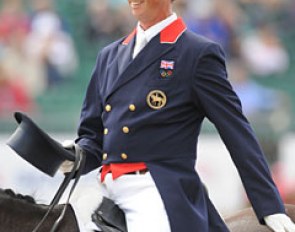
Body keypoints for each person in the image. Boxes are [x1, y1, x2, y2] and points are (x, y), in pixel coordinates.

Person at [61, 0, 295, 231]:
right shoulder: (109, 55)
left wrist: (268, 205)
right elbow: (93, 137)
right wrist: (76, 156)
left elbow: (237, 132)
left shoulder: (196, 54)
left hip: (154, 188)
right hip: (103, 186)